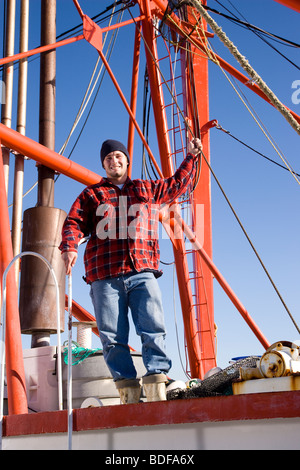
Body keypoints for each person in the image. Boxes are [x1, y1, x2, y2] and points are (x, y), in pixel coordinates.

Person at [59, 137, 202, 403]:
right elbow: (73, 222)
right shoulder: (92, 195)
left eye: (117, 156)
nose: (114, 161)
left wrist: (191, 157)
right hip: (104, 276)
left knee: (153, 328)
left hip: (142, 271)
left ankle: (157, 386)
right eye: (108, 159)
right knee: (113, 338)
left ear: (126, 159)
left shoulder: (145, 189)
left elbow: (176, 185)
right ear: (104, 165)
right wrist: (69, 246)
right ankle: (128, 395)